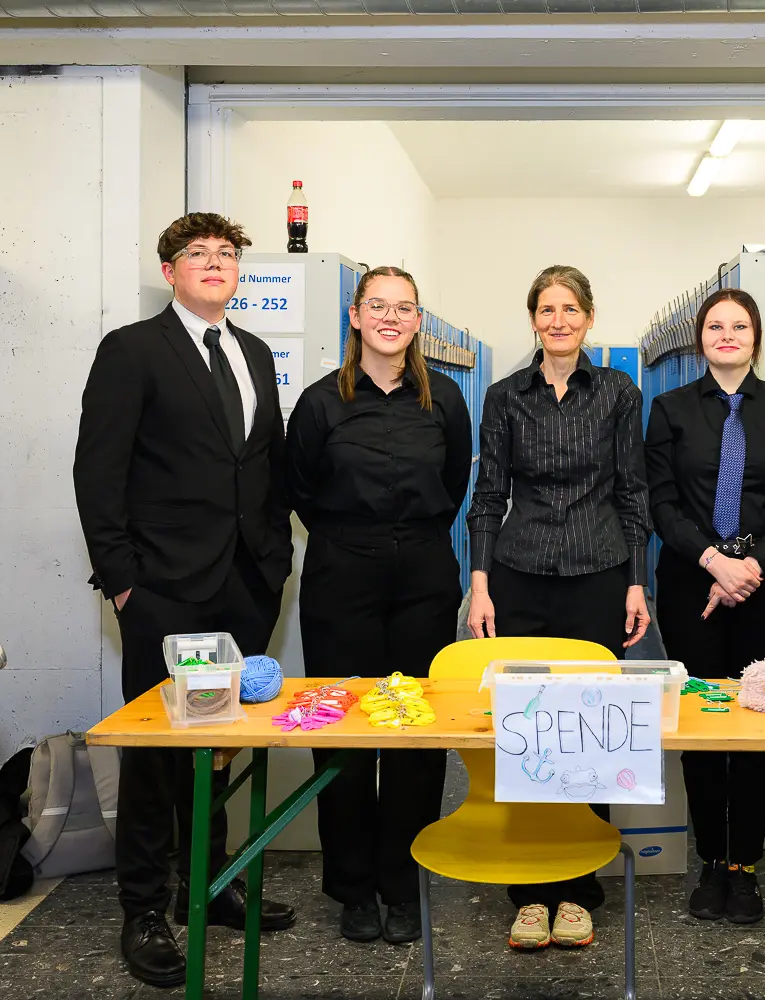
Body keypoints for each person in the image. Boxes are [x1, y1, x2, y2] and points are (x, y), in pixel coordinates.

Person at [73, 213, 296, 989]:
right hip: (164, 588)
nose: (214, 263)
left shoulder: (254, 351)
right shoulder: (132, 349)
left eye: (226, 253)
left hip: (246, 583)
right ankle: (142, 907)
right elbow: (97, 471)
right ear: (169, 271)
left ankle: (209, 882)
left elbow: (263, 464)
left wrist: (276, 558)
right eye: (196, 254)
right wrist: (123, 581)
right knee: (157, 749)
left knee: (219, 737)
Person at [465, 264, 652, 951]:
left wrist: (637, 581)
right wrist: (480, 582)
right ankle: (529, 892)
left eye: (570, 309)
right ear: (534, 320)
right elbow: (489, 495)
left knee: (591, 733)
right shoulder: (504, 397)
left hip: (598, 574)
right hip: (520, 575)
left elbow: (633, 492)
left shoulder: (618, 393)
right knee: (528, 733)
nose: (559, 320)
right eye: (547, 309)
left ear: (589, 318)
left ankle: (578, 887)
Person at [285, 266, 472, 946]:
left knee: (416, 734)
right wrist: (357, 537)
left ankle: (403, 881)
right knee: (344, 731)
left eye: (404, 308)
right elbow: (299, 488)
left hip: (423, 574)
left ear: (418, 321)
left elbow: (453, 483)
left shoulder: (445, 397)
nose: (391, 318)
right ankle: (353, 886)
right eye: (378, 306)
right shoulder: (319, 402)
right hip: (342, 575)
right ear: (356, 316)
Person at [644, 287, 765, 925]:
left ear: (755, 337)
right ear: (700, 338)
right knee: (701, 724)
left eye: (739, 326)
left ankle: (745, 865)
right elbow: (661, 501)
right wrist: (713, 561)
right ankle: (711, 861)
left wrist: (750, 567)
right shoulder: (669, 409)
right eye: (715, 325)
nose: (726, 335)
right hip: (691, 584)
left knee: (754, 726)